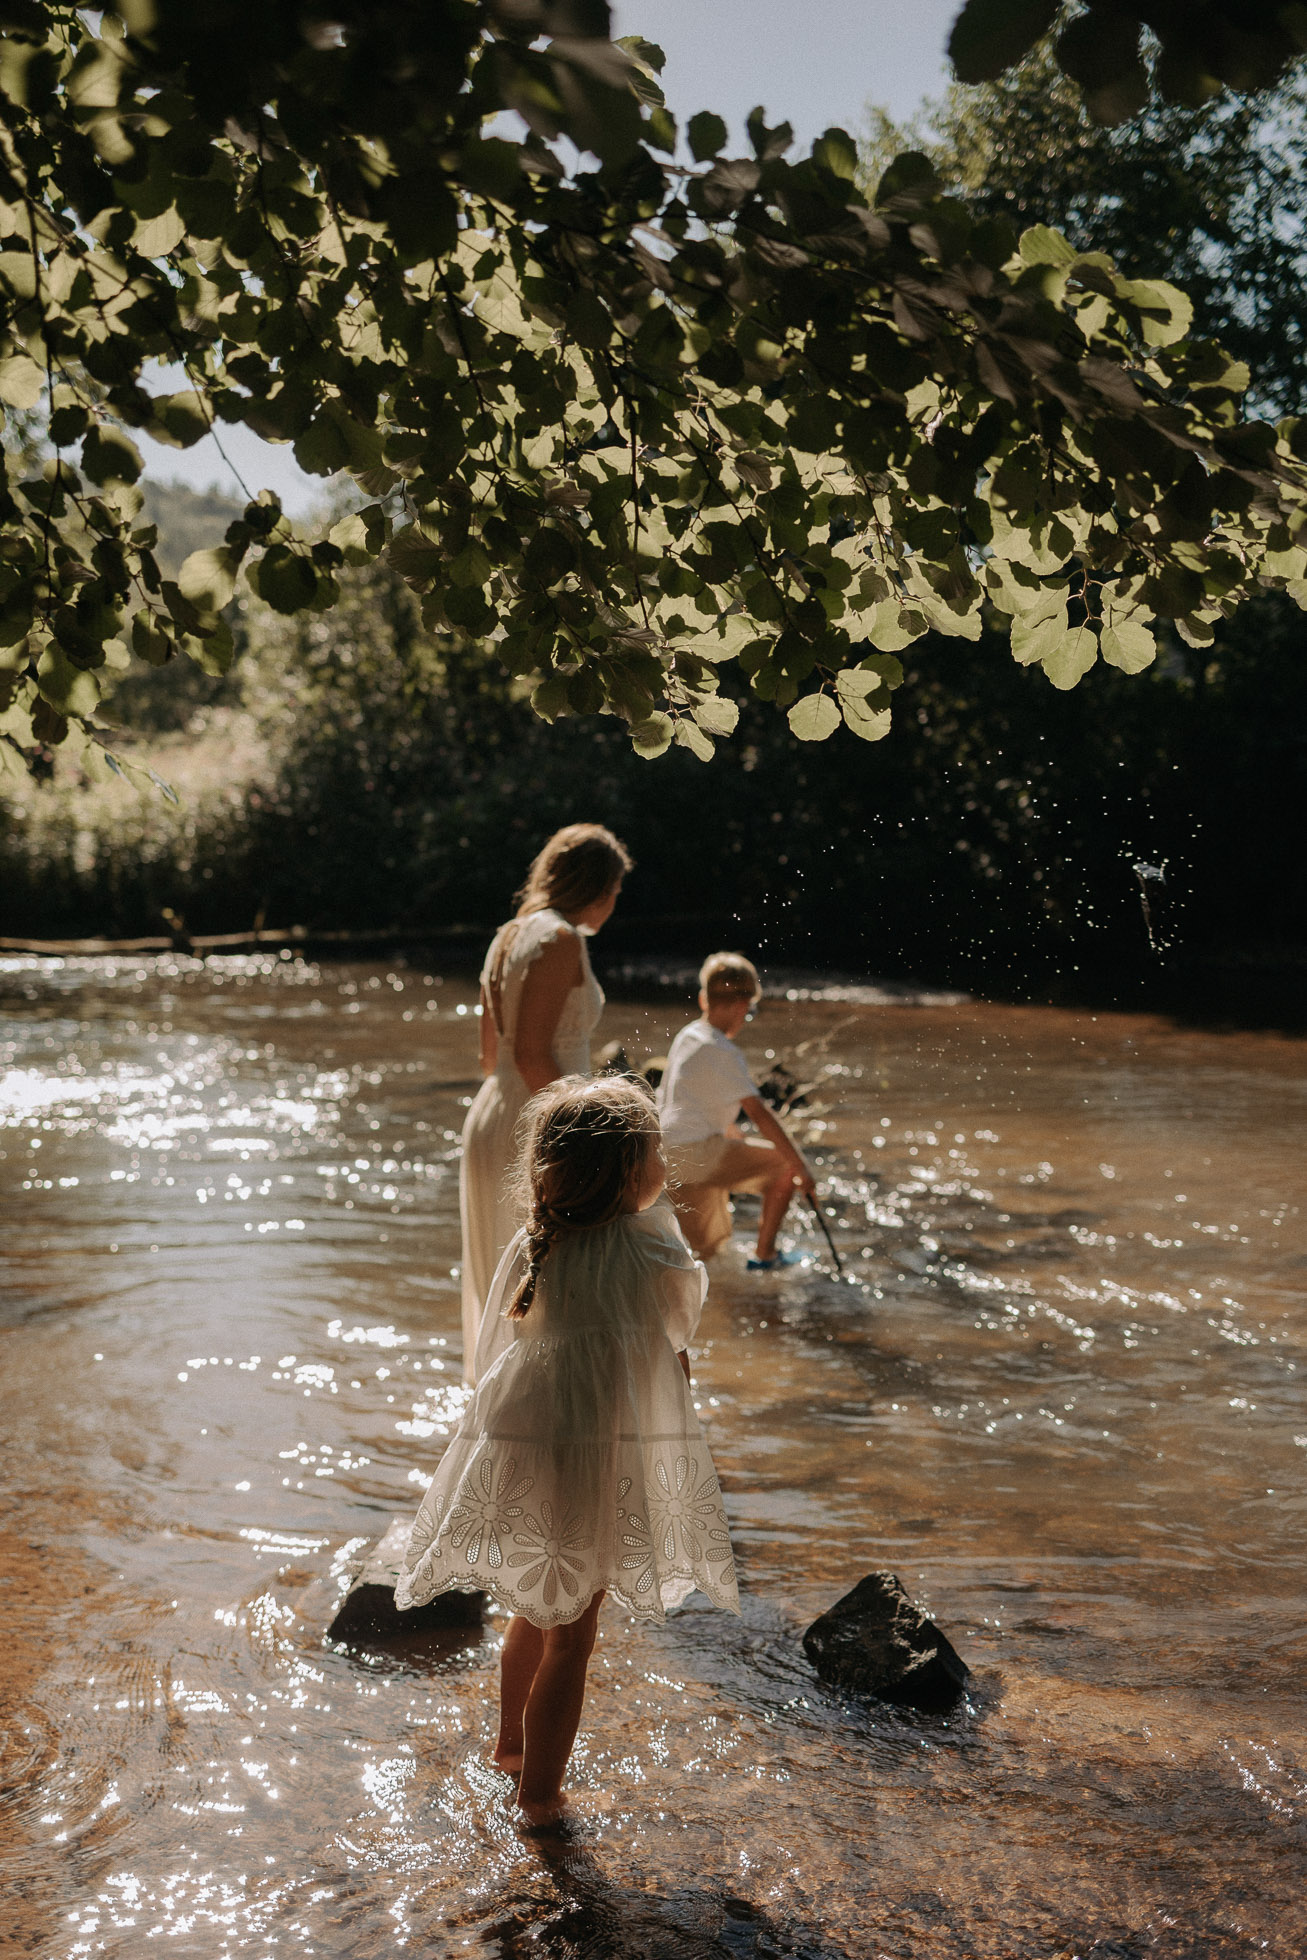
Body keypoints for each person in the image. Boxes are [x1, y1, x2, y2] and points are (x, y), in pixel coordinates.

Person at [397, 1076, 739, 1825]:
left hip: (526, 1431)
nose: (664, 1168)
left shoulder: (533, 1240)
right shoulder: (652, 1244)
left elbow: (496, 1343)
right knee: (574, 1637)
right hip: (594, 1441)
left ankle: (509, 1751)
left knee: (535, 1602)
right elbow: (678, 1337)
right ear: (627, 1171)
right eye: (655, 1153)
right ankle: (541, 1800)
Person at [459, 822, 632, 1381]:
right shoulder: (560, 940)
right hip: (538, 1123)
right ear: (599, 887)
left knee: (504, 1280)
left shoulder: (509, 935)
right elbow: (534, 1056)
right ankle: (544, 1426)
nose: (615, 903)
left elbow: (492, 1056)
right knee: (550, 1290)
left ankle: (500, 1423)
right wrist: (594, 1135)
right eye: (616, 890)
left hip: (494, 1111)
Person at [658, 952, 816, 1269]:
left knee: (703, 1256)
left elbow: (688, 1100)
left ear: (704, 999)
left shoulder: (689, 1035)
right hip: (701, 1153)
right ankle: (765, 1256)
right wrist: (802, 1167)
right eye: (749, 1012)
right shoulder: (723, 1049)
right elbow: (760, 1114)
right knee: (783, 1167)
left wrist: (730, 1131)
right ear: (742, 1006)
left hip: (669, 1157)